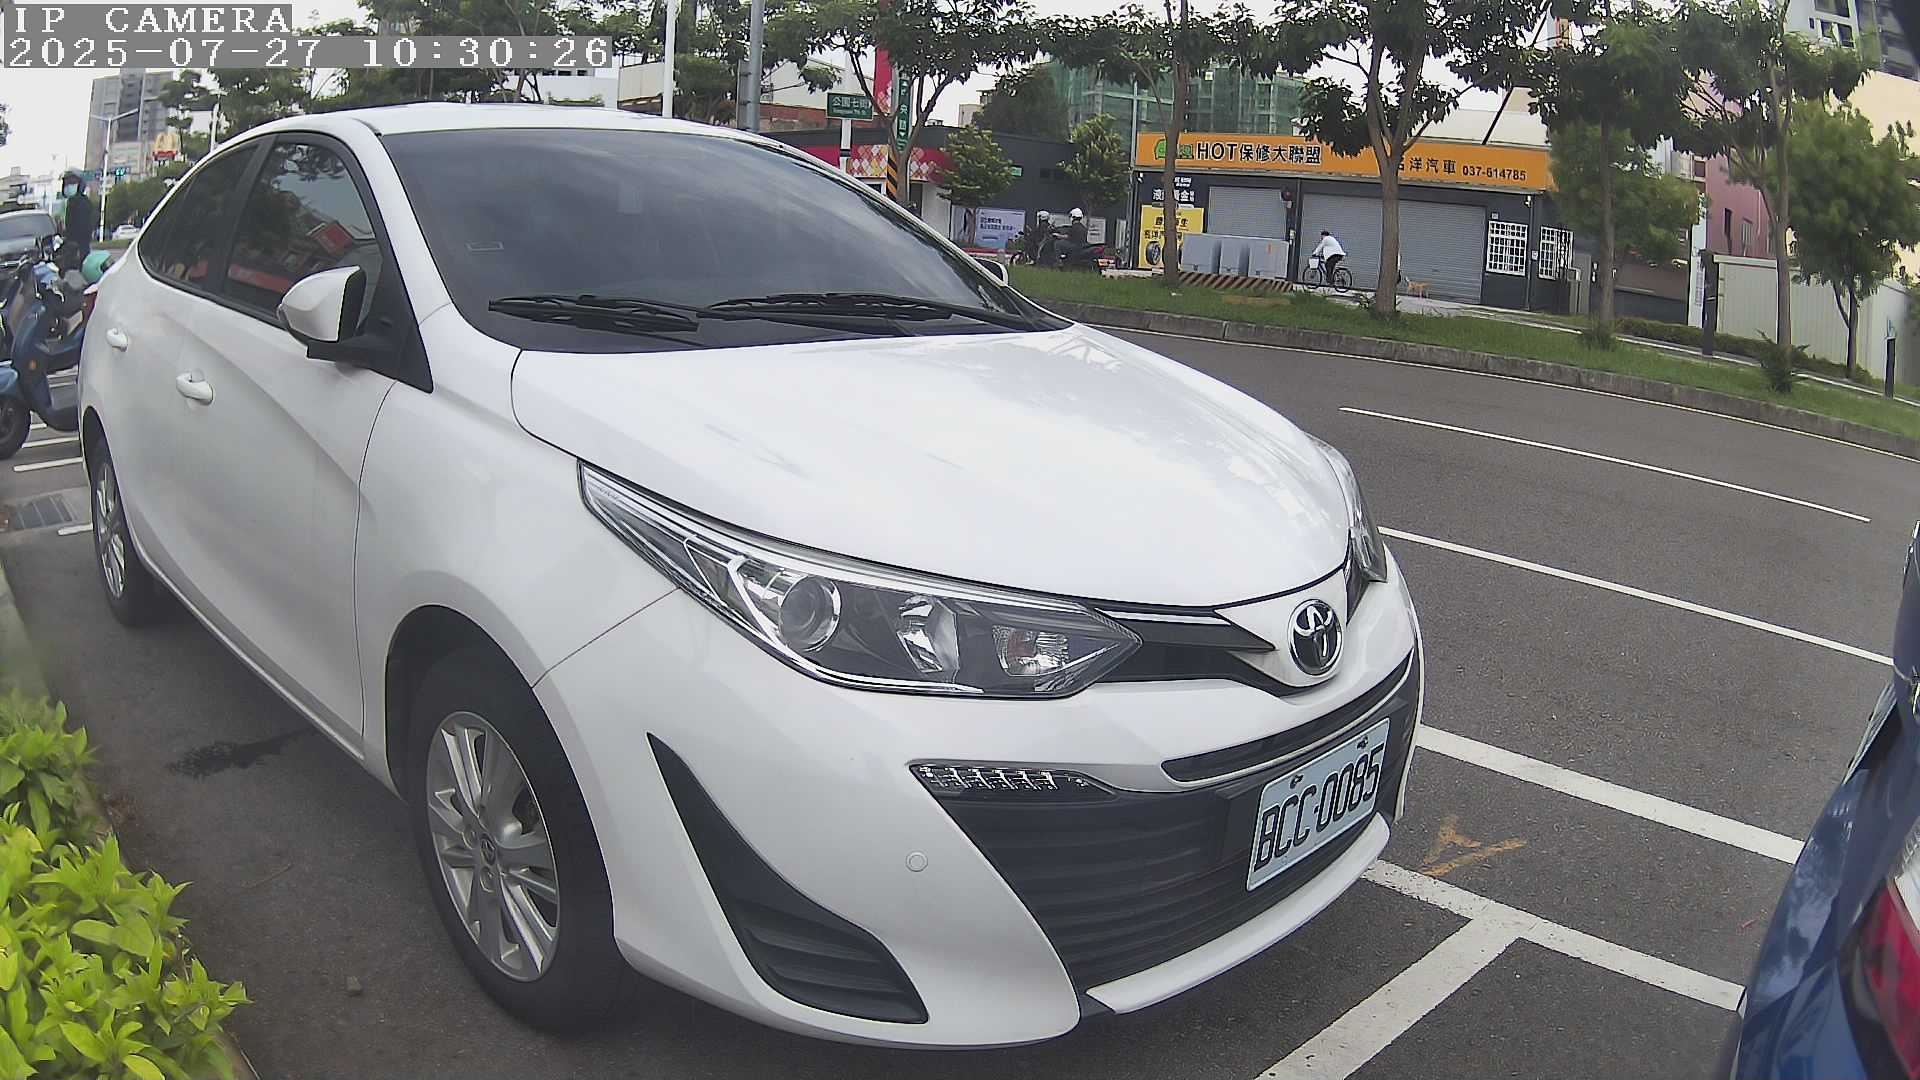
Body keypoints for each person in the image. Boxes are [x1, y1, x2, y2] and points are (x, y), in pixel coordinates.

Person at [55, 171, 95, 273]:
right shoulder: (68, 203)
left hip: (79, 247)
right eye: (66, 183)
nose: (68, 186)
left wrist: (73, 241)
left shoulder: (82, 203)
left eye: (72, 183)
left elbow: (83, 227)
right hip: (71, 245)